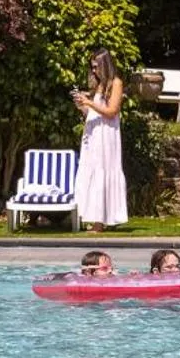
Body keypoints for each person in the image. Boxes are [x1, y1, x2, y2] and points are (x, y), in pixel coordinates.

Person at [71, 49, 128, 232]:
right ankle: (93, 217)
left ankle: (101, 221)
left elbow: (112, 111)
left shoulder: (116, 83)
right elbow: (94, 112)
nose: (94, 70)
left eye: (96, 66)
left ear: (105, 65)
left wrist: (90, 103)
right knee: (91, 171)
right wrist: (82, 106)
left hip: (106, 135)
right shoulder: (99, 85)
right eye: (92, 67)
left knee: (103, 171)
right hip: (93, 133)